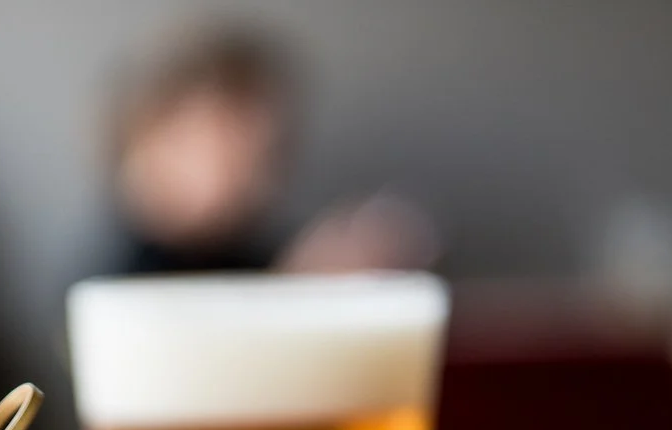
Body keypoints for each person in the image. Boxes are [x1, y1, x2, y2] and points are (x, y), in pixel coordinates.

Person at [111, 27, 435, 277]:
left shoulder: (250, 251)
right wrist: (290, 288)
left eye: (264, 155)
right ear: (150, 140)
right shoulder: (115, 275)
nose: (247, 177)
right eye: (223, 147)